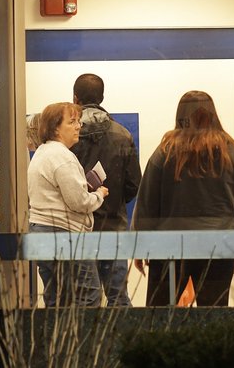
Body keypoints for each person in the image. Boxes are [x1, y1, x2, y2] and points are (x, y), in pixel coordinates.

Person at [134, 91, 234, 306]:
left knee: (161, 319)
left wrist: (141, 245)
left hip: (170, 246)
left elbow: (147, 203)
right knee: (214, 320)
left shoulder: (165, 151)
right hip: (219, 246)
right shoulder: (231, 151)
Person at [69, 74, 141, 307]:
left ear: (75, 98)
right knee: (118, 298)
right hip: (113, 226)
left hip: (79, 228)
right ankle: (121, 344)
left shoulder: (68, 136)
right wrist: (114, 201)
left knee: (84, 300)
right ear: (102, 97)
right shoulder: (122, 134)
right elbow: (134, 184)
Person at [28, 102, 109, 307]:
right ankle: (84, 339)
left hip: (41, 233)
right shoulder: (63, 157)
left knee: (56, 300)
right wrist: (98, 194)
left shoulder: (41, 153)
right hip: (66, 236)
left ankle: (54, 339)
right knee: (88, 297)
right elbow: (79, 202)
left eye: (78, 121)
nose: (78, 126)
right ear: (55, 128)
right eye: (71, 122)